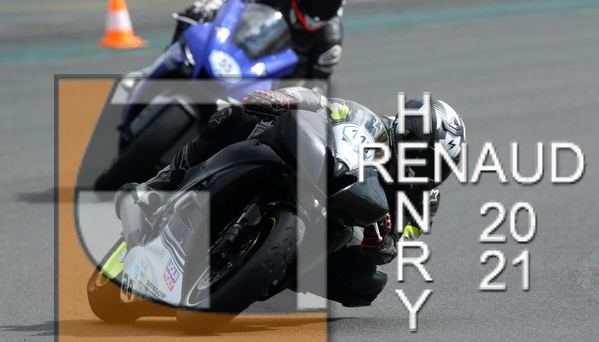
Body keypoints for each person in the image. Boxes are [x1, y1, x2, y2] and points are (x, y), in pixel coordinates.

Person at [143, 87, 466, 307]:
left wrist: (386, 241)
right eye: (422, 156)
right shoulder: (370, 123)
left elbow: (394, 245)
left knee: (364, 282)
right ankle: (164, 182)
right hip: (306, 164)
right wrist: (282, 98)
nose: (426, 168)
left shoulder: (424, 200)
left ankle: (270, 273)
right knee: (236, 115)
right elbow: (318, 100)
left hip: (337, 220)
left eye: (439, 165)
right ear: (404, 135)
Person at [172, 0, 345, 82]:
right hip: (241, 50)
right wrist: (211, 5)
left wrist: (292, 100)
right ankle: (168, 60)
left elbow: (317, 84)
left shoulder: (331, 40)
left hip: (276, 86)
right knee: (192, 17)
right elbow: (237, 3)